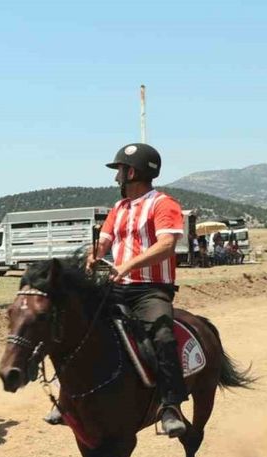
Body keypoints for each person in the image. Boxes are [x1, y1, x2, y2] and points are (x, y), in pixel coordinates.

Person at [75, 143, 188, 437]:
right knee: (80, 325)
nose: (116, 179)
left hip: (151, 290)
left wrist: (128, 266)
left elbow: (166, 245)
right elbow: (104, 241)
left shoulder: (164, 204)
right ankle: (70, 397)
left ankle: (171, 405)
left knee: (162, 335)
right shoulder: (119, 208)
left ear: (132, 172)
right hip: (117, 286)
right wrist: (94, 254)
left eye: (120, 172)